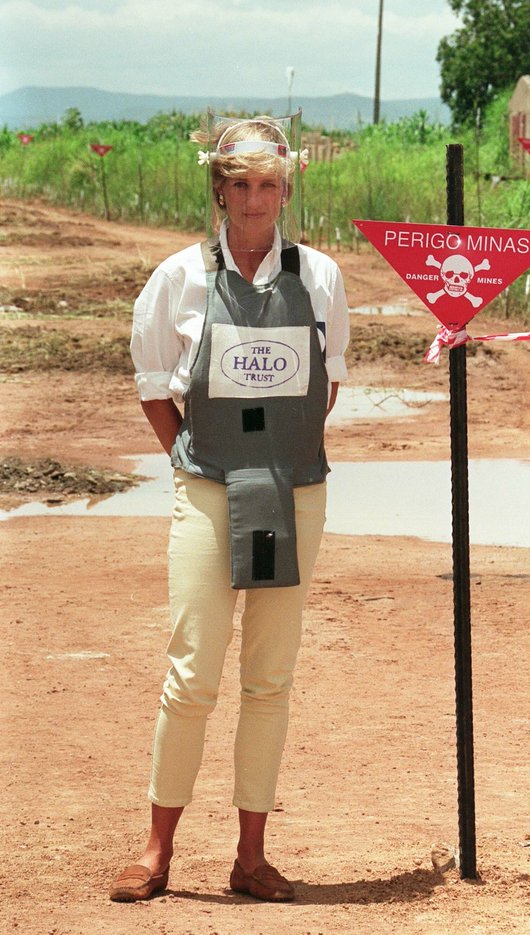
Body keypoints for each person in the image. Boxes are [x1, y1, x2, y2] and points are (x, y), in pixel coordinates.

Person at [110, 114, 349, 902]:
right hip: (210, 489)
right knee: (192, 673)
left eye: (269, 185)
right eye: (240, 185)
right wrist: (197, 459)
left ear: (287, 187)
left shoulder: (321, 278)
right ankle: (156, 851)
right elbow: (154, 385)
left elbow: (329, 382)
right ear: (219, 188)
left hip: (292, 495)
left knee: (270, 678)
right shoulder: (176, 279)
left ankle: (250, 856)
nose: (255, 201)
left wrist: (277, 456)